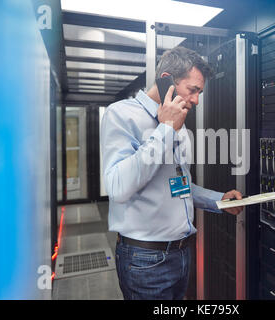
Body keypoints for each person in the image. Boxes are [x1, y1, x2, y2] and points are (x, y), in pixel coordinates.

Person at [100, 46, 244, 300]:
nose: (197, 100)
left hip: (181, 255)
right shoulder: (122, 115)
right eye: (193, 90)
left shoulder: (178, 126)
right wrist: (165, 130)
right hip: (145, 261)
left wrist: (217, 199)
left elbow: (178, 185)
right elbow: (118, 187)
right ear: (166, 79)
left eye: (199, 92)